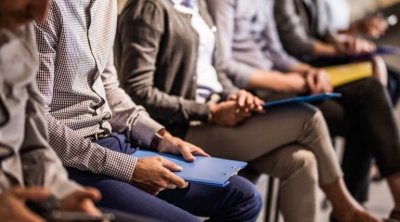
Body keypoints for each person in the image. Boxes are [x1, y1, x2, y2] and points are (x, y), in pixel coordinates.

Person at [116, 0, 384, 221]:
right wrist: (208, 111)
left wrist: (237, 96)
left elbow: (217, 71)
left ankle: (345, 207)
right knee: (309, 118)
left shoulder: (197, 5)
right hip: (183, 130)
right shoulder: (150, 8)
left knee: (302, 161)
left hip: (218, 114)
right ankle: (345, 207)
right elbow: (137, 90)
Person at [33, 0, 262, 221]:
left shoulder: (106, 4)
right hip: (67, 159)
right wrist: (127, 168)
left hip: (111, 141)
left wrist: (160, 137)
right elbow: (38, 122)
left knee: (244, 197)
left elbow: (110, 87)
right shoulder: (43, 10)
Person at [207, 0, 400, 219]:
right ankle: (352, 207)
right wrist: (291, 82)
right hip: (254, 92)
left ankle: (355, 206)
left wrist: (308, 72)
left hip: (280, 78)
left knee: (370, 95)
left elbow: (277, 53)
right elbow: (225, 65)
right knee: (364, 110)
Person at [0, 0, 103, 221]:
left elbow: (34, 143)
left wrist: (62, 194)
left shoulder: (20, 28)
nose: (41, 14)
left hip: (25, 198)